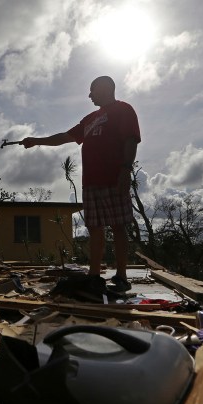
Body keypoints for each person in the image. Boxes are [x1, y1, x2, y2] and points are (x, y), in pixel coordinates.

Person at [21, 76, 140, 294]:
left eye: (92, 90)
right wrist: (36, 141)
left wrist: (125, 169)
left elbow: (131, 139)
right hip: (91, 182)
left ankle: (121, 276)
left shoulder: (123, 110)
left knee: (119, 226)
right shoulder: (89, 118)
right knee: (95, 227)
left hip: (114, 178)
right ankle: (94, 276)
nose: (89, 95)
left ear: (104, 88)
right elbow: (65, 136)